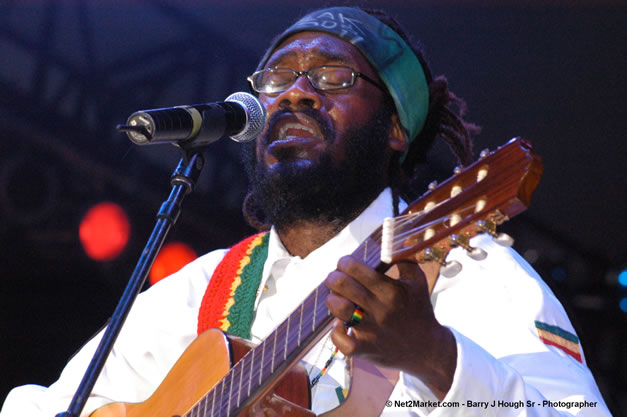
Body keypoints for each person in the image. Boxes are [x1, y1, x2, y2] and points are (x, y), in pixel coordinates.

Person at [1, 6, 611, 417]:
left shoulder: (464, 273)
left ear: (396, 126)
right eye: (280, 78)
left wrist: (436, 357)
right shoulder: (197, 291)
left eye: (333, 77)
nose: (295, 91)